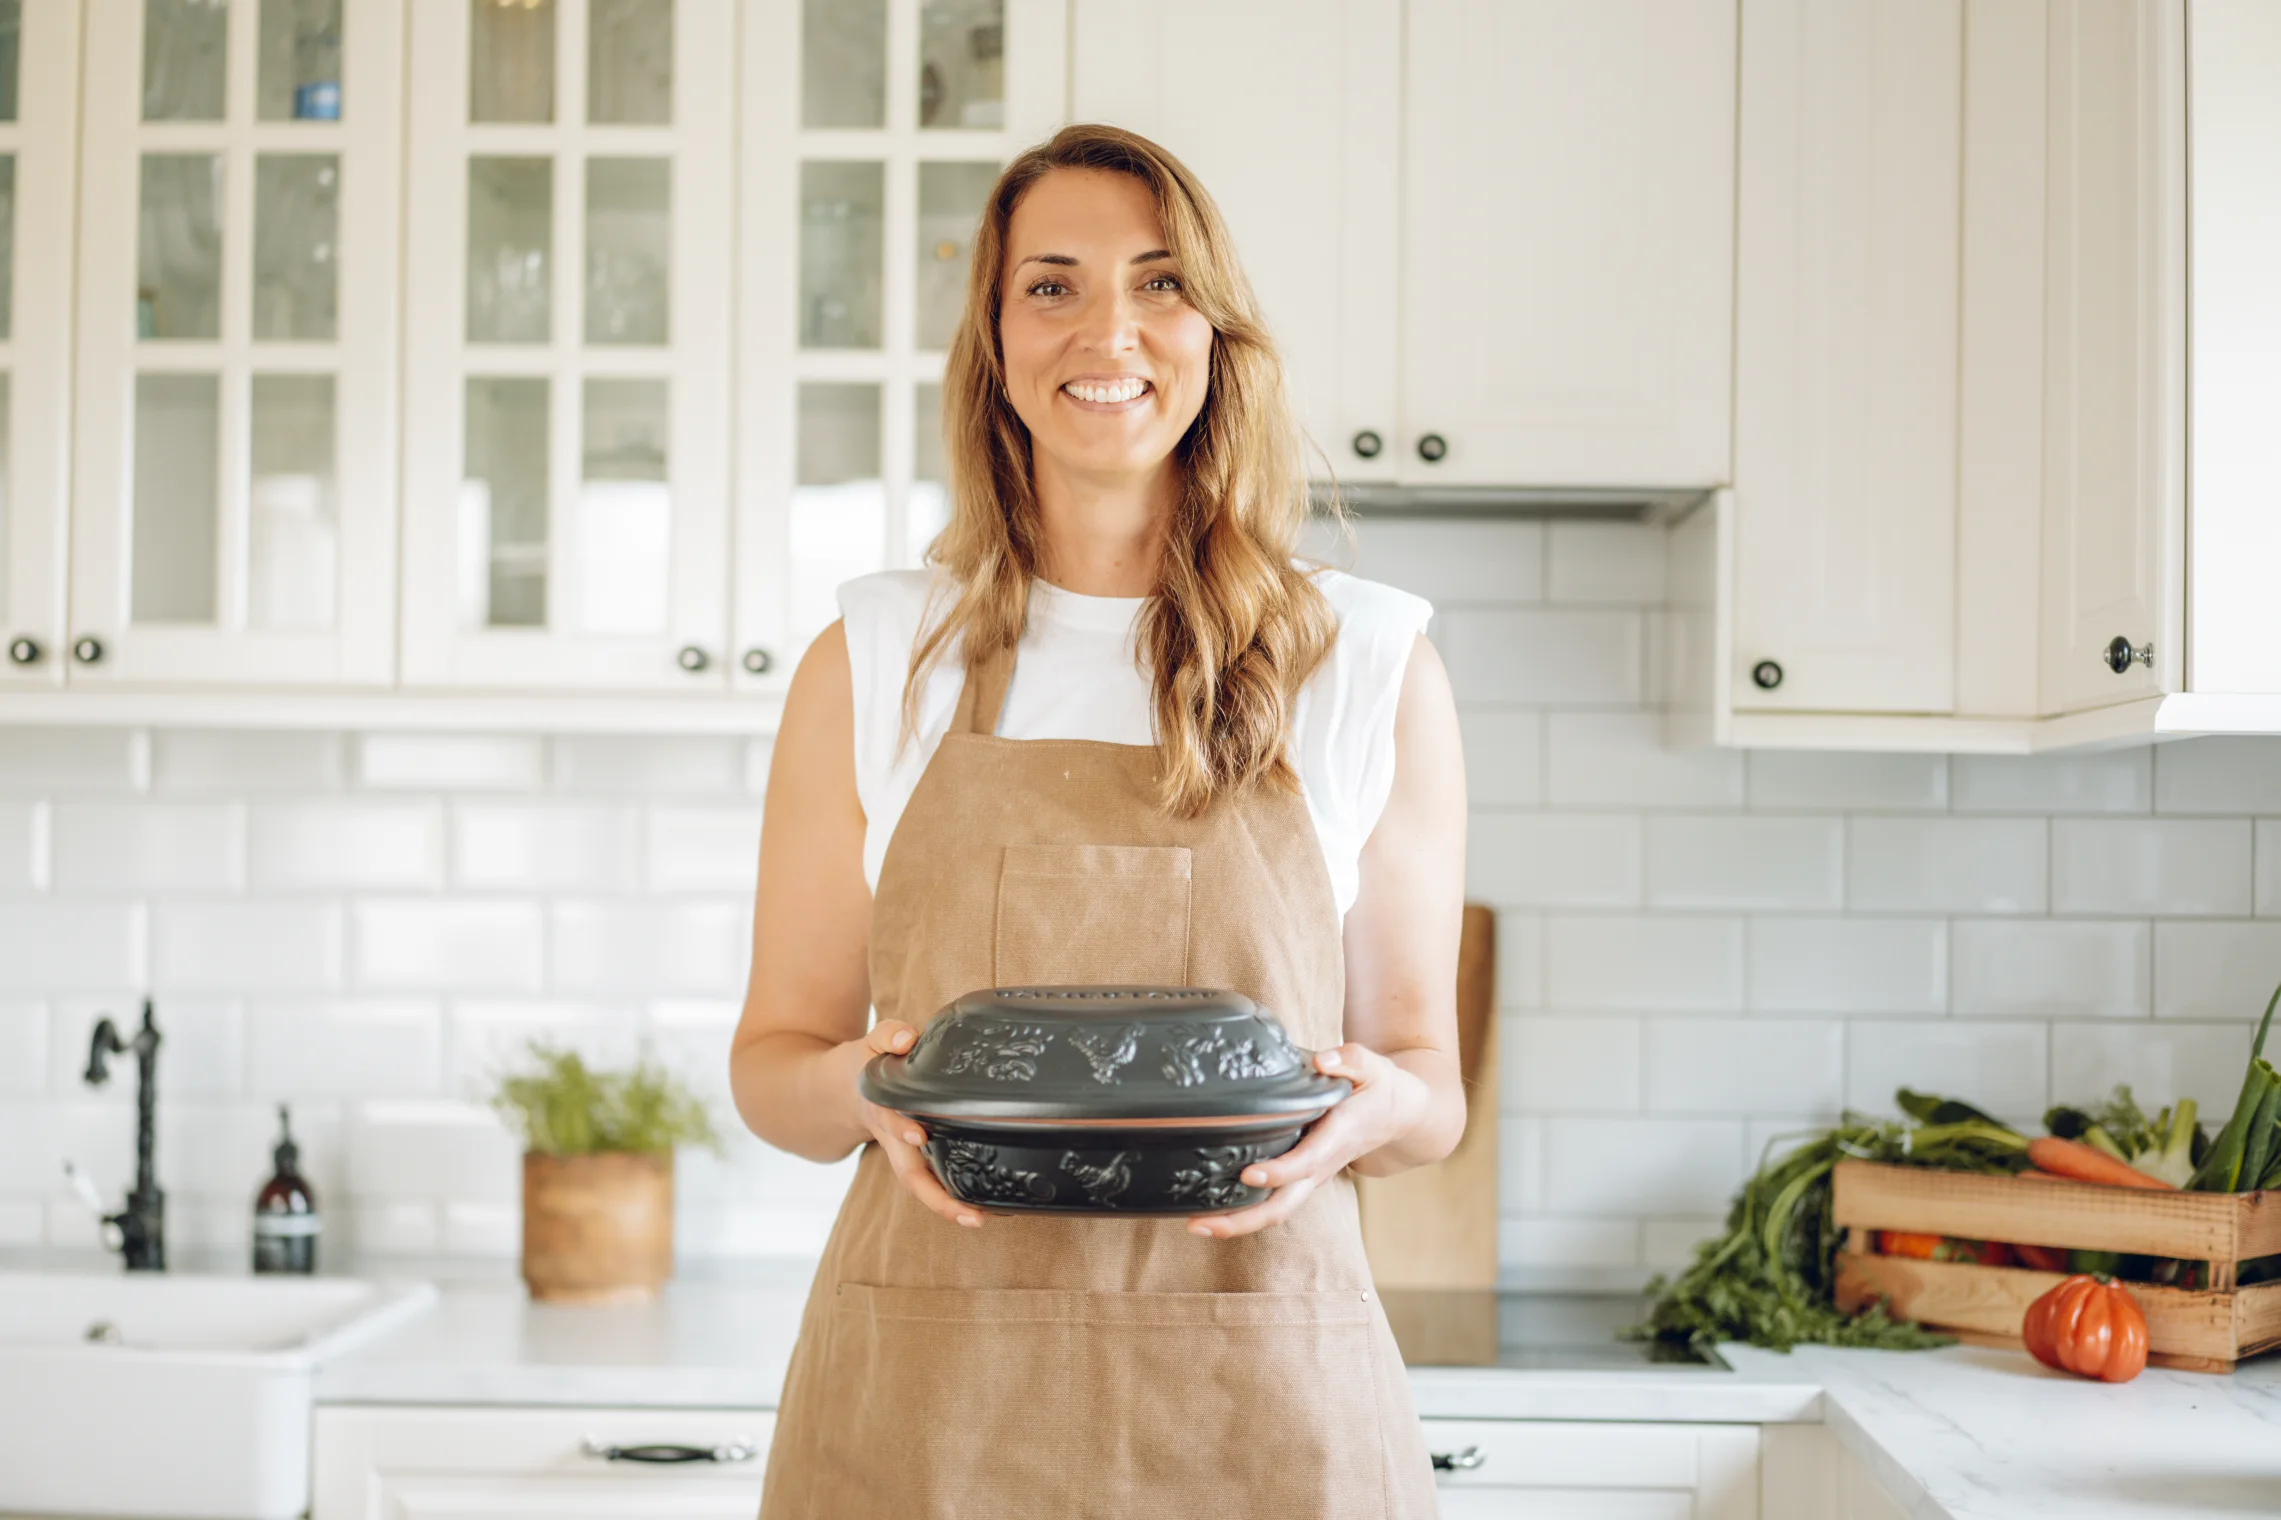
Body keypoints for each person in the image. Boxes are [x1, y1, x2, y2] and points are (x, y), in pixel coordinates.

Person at [730, 122, 1466, 1518]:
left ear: (1215, 333)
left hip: (1261, 1391)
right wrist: (866, 1094)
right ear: (996, 340)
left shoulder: (1363, 661)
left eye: (1161, 282)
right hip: (930, 1397)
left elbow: (1430, 1087)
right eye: (1052, 285)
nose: (1107, 328)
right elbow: (774, 1065)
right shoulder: (881, 656)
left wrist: (1388, 1104)